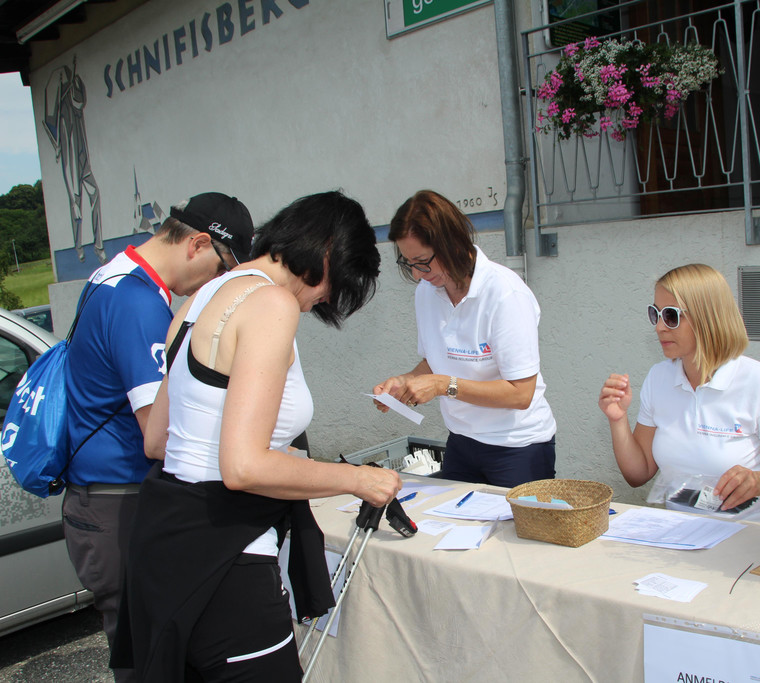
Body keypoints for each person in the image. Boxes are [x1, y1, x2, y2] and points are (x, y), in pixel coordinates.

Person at [113, 190, 402, 681]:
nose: (325, 300)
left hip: (164, 544)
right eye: (336, 285)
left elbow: (159, 440)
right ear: (325, 253)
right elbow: (243, 467)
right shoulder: (271, 303)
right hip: (226, 557)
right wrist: (358, 480)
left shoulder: (202, 297)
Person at [62, 191, 255, 682]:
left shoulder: (110, 276)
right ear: (197, 243)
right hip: (120, 500)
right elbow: (161, 435)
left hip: (98, 498)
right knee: (150, 662)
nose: (217, 282)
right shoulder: (138, 302)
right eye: (220, 268)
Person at [373, 190, 556, 487]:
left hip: (518, 447)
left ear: (452, 243)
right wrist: (405, 382)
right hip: (461, 442)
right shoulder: (426, 293)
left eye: (422, 261)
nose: (418, 274)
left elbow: (521, 394)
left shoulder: (505, 293)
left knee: (513, 520)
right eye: (408, 263)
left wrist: (443, 385)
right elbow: (435, 361)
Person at [598, 264, 760, 525]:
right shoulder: (659, 378)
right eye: (655, 314)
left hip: (753, 536)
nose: (659, 327)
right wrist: (617, 420)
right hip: (681, 534)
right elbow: (638, 473)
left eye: (670, 316)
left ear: (707, 317)